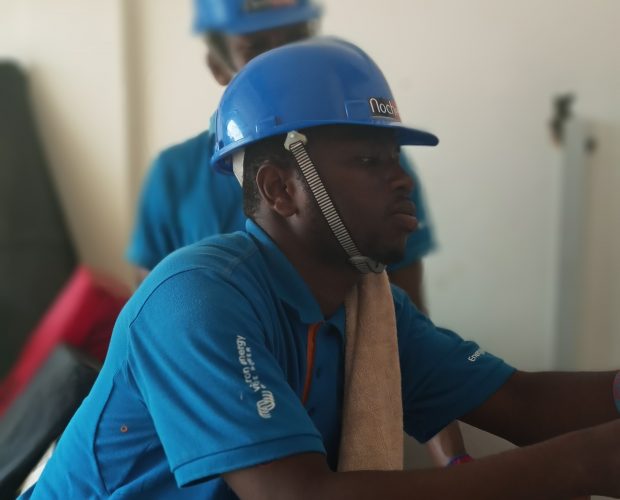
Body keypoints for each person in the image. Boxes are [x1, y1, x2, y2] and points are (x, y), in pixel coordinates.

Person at [23, 38, 620, 499]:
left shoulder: (367, 312)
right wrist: (584, 462)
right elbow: (298, 496)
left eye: (396, 158)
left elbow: (519, 401)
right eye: (370, 160)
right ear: (280, 188)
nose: (403, 179)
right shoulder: (195, 300)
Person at [126, 0, 466, 468]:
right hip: (212, 447)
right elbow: (155, 342)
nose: (281, 61)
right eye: (256, 47)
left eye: (295, 39)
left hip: (323, 446)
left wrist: (454, 461)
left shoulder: (380, 176)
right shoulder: (175, 182)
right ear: (218, 66)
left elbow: (402, 339)